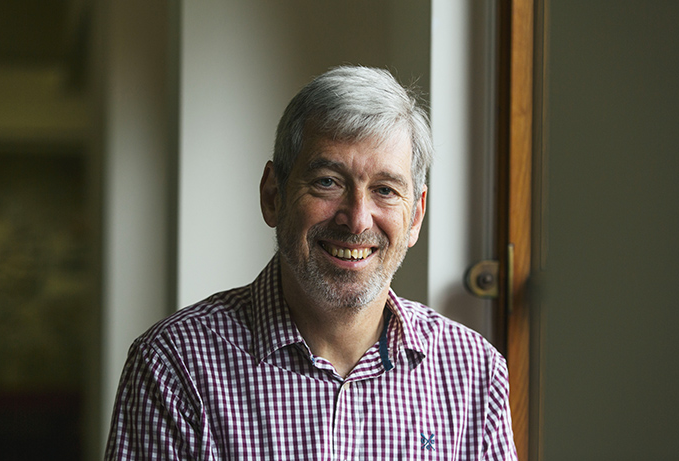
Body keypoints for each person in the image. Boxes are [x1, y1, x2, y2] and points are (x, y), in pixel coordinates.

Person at [104, 65, 518, 460]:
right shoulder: (175, 364)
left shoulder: (473, 373)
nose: (356, 218)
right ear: (273, 195)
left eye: (385, 190)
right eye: (327, 182)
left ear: (415, 216)